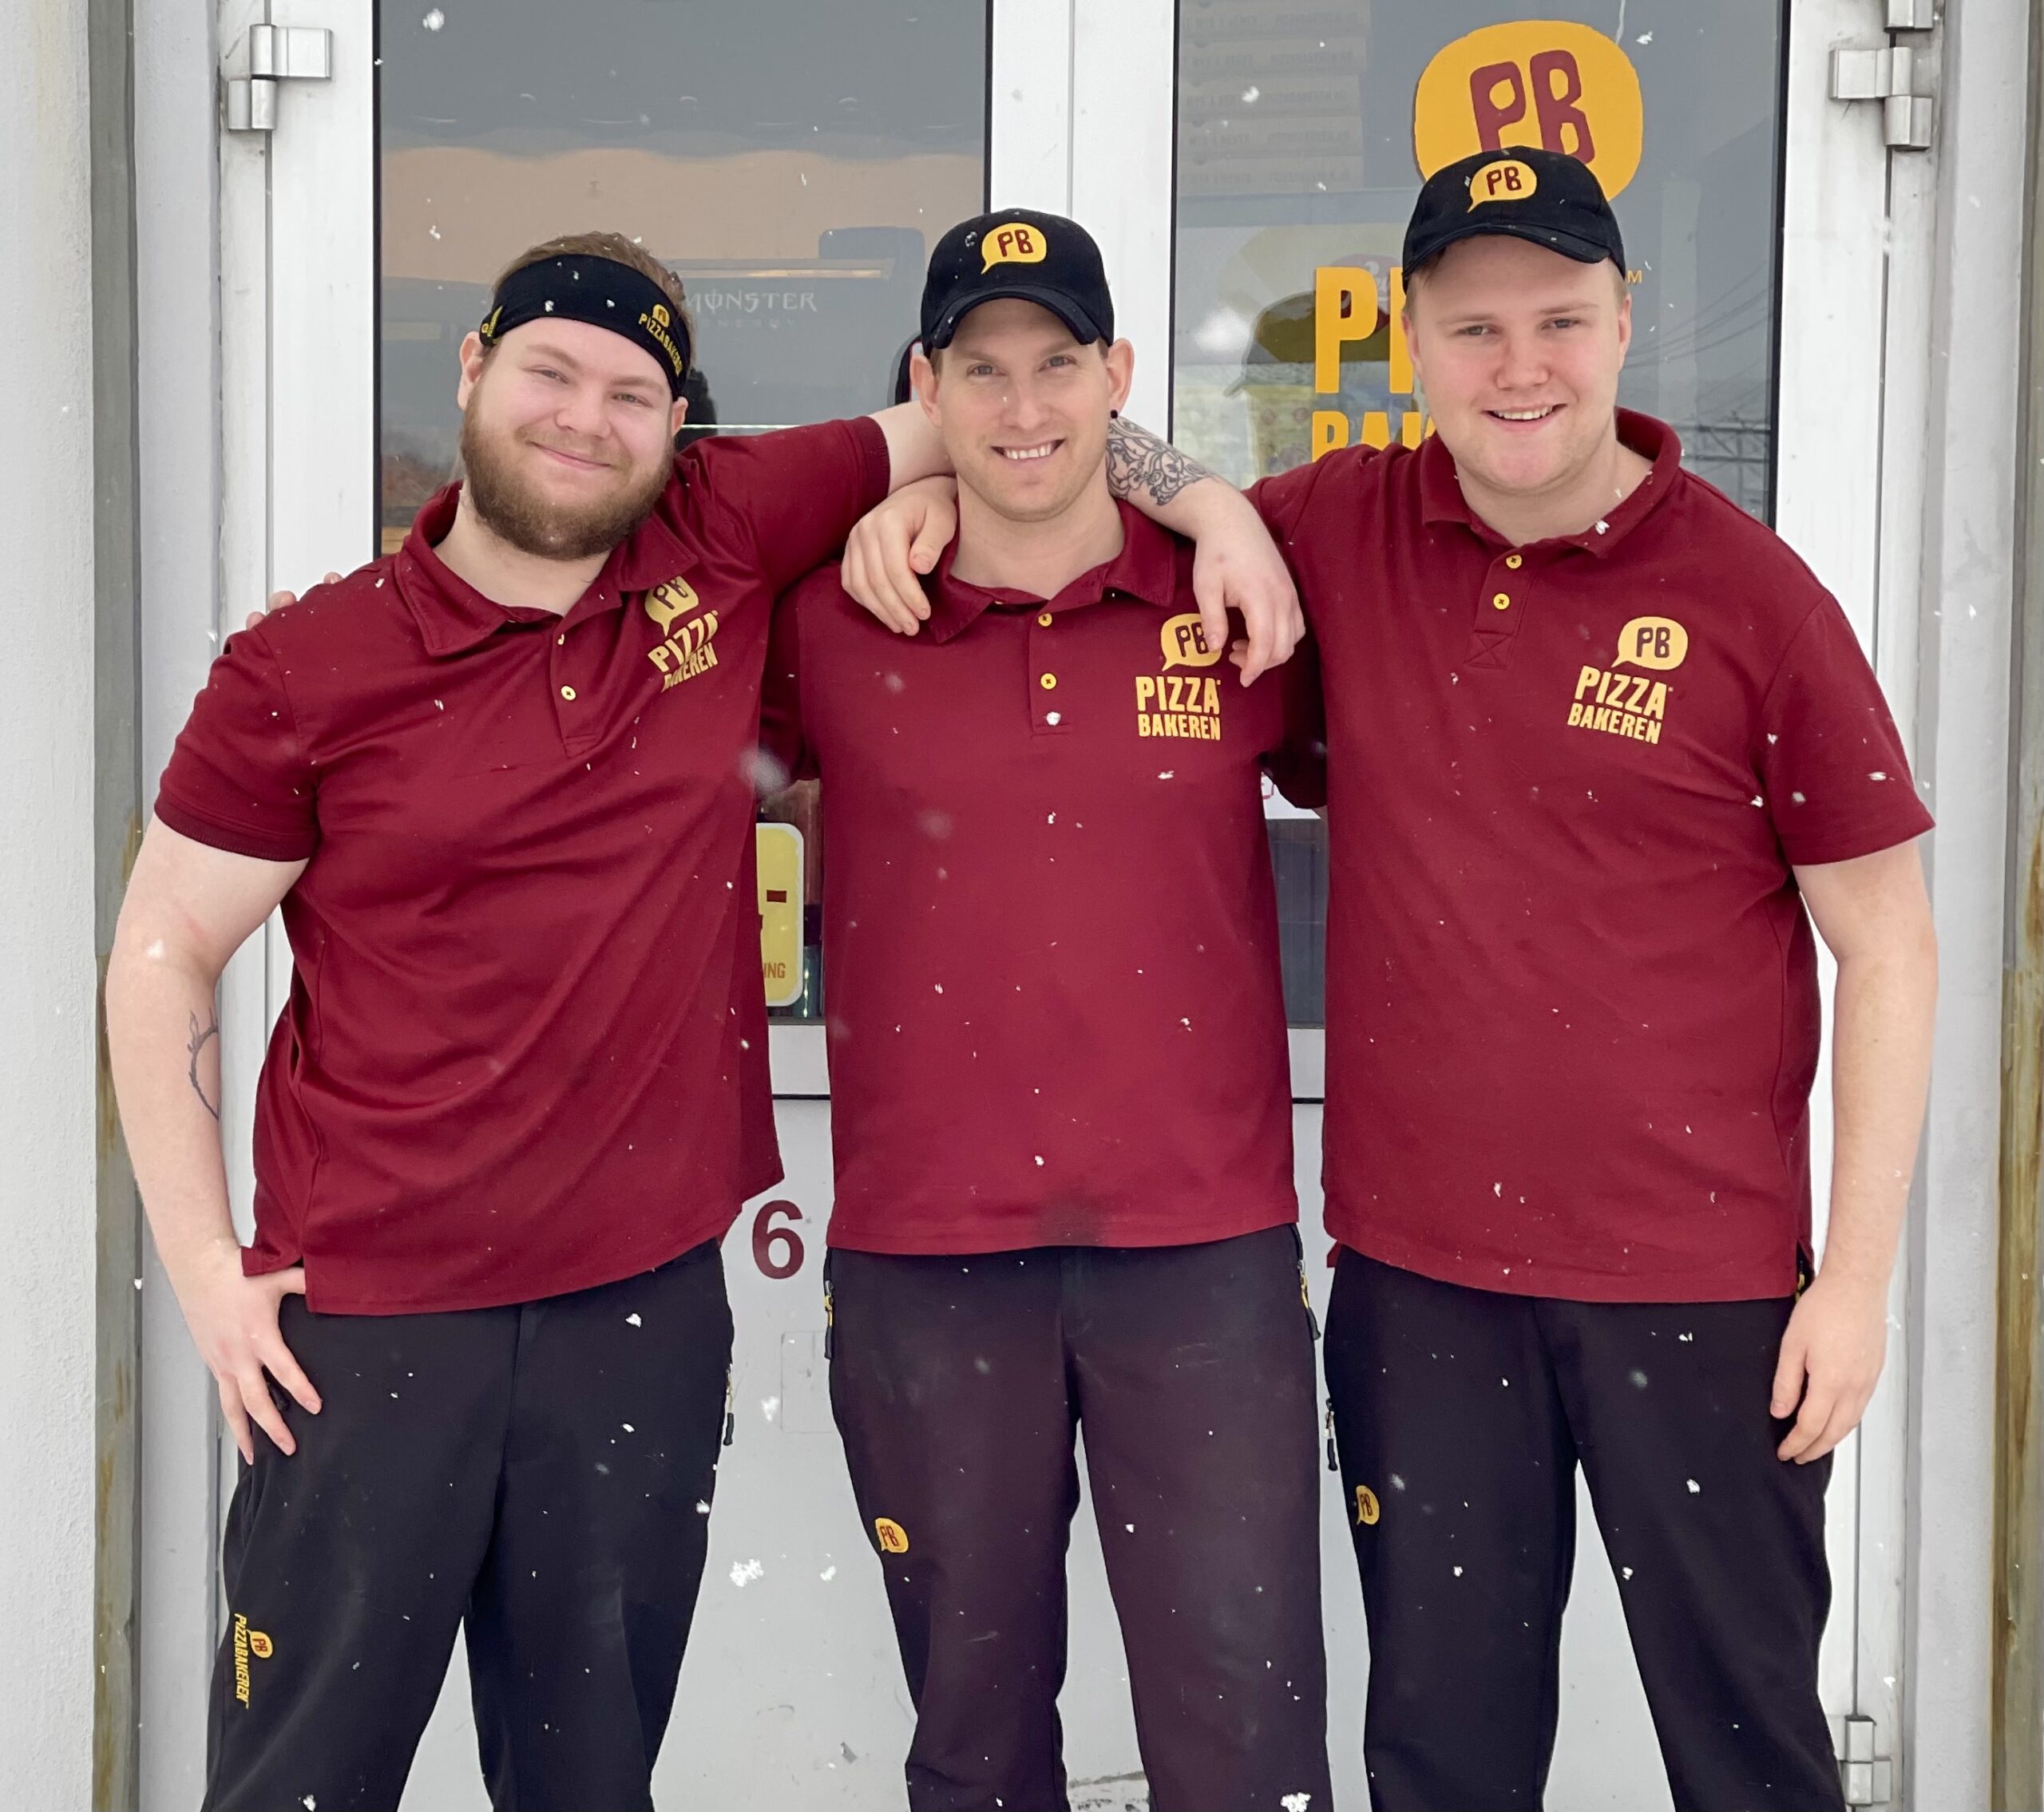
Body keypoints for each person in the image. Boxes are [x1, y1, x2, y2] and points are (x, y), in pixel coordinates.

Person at [106, 227, 1297, 1812]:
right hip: (370, 1314)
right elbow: (164, 949)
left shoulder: (721, 540)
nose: (583, 418)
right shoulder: (304, 663)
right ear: (473, 370)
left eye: (630, 394)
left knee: (595, 1782)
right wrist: (203, 1269)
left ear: (679, 424)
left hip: (636, 1315)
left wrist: (1211, 501)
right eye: (550, 373)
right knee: (301, 1781)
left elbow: (1008, 428)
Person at [845, 151, 1939, 1812]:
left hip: (1702, 1287)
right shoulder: (1335, 533)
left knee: (1749, 1751)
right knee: (1439, 1756)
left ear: (1624, 322)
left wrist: (1850, 1283)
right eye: (1474, 327)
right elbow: (1075, 458)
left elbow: (1889, 943)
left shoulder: (1751, 599)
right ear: (1411, 340)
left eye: (1559, 320)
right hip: (1420, 1287)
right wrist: (975, 482)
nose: (1520, 366)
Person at [760, 209, 1334, 1812]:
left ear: (1118, 375)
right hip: (926, 1258)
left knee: (1243, 1735)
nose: (1024, 408)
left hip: (1201, 1252)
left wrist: (1211, 498)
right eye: (982, 371)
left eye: (1058, 364)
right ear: (923, 387)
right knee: (974, 1736)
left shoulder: (1235, 604)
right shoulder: (830, 623)